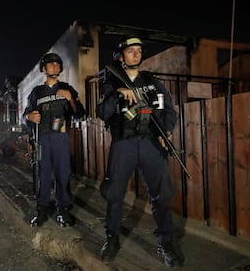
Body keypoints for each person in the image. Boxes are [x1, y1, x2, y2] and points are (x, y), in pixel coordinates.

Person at [96, 37, 184, 267]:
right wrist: (118, 93)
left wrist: (168, 131)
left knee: (161, 195)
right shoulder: (111, 81)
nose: (135, 54)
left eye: (138, 51)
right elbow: (103, 113)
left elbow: (168, 108)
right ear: (121, 56)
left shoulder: (151, 81)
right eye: (130, 51)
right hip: (123, 144)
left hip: (150, 143)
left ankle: (166, 242)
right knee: (115, 194)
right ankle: (112, 237)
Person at [23, 52, 85, 227]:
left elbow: (79, 112)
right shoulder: (36, 92)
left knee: (63, 174)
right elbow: (25, 116)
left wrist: (71, 98)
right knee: (42, 174)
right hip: (42, 139)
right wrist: (29, 117)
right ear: (44, 69)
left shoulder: (67, 88)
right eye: (51, 64)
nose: (55, 67)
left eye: (57, 64)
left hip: (61, 138)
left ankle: (62, 210)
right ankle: (41, 209)